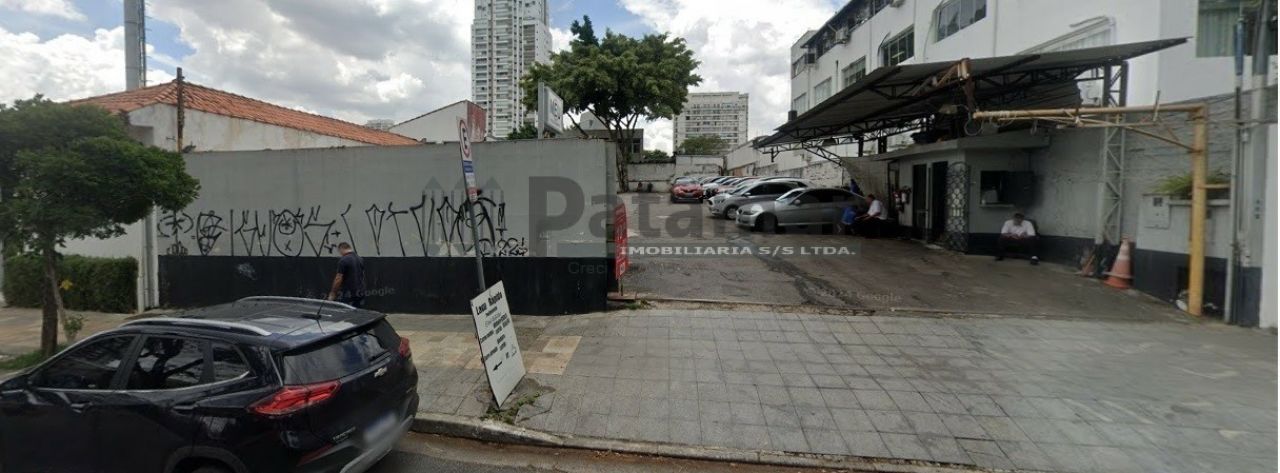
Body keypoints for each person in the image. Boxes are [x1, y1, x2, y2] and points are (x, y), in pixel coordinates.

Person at [328, 242, 366, 307]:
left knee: (346, 314)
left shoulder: (343, 260)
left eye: (339, 252)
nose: (340, 254)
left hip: (348, 294)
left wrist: (333, 293)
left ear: (341, 249)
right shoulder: (360, 259)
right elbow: (363, 276)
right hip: (360, 293)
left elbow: (338, 278)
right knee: (358, 314)